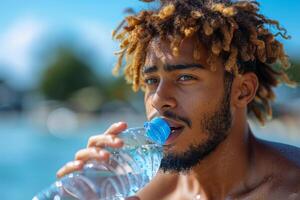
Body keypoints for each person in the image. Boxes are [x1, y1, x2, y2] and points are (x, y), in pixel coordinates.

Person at [56, 0, 300, 199]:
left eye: (185, 77)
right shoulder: (140, 192)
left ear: (243, 91)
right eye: (152, 81)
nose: (159, 99)